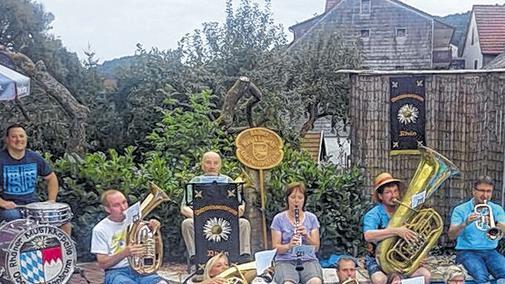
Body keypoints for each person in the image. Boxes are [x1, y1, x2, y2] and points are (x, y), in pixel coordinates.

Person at [180, 151, 251, 262]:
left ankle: (244, 256)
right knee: (187, 223)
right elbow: (184, 208)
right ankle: (195, 256)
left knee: (244, 223)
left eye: (215, 163)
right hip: (201, 220)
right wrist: (197, 217)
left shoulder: (229, 181)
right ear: (202, 165)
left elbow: (241, 206)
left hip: (226, 220)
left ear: (220, 165)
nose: (212, 166)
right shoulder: (194, 182)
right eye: (208, 163)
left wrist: (237, 212)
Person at [0, 124, 71, 234]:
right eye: (14, 136)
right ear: (7, 140)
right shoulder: (1, 159)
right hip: (10, 207)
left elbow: (51, 178)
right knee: (14, 217)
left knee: (64, 220)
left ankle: (65, 249)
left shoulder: (34, 157)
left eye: (21, 136)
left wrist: (51, 200)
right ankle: (22, 250)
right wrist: (2, 202)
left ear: (26, 138)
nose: (18, 139)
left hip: (33, 205)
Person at [362, 172, 431, 284]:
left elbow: (417, 236)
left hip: (402, 259)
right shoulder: (373, 214)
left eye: (395, 191)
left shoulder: (406, 212)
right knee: (380, 280)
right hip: (378, 259)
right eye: (388, 192)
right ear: (380, 196)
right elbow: (368, 235)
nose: (393, 195)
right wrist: (396, 231)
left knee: (425, 275)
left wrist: (420, 256)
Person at [91, 189, 167, 284]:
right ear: (107, 209)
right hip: (116, 272)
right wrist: (124, 253)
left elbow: (150, 244)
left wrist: (153, 229)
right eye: (116, 205)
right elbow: (103, 263)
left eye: (124, 202)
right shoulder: (100, 229)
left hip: (141, 271)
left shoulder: (136, 221)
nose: (123, 208)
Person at [447, 175, 505, 283]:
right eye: (481, 191)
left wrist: (494, 223)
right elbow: (451, 235)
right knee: (481, 276)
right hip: (467, 251)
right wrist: (465, 223)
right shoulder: (460, 209)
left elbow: (502, 232)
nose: (485, 195)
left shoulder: (497, 209)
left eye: (489, 191)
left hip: (491, 251)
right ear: (474, 191)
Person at [271, 182, 323, 284]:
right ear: (287, 199)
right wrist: (289, 245)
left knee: (315, 281)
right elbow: (275, 248)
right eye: (293, 197)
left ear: (304, 200)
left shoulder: (311, 218)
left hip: (308, 259)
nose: (296, 201)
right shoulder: (279, 219)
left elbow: (316, 247)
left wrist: (306, 236)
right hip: (285, 260)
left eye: (300, 197)